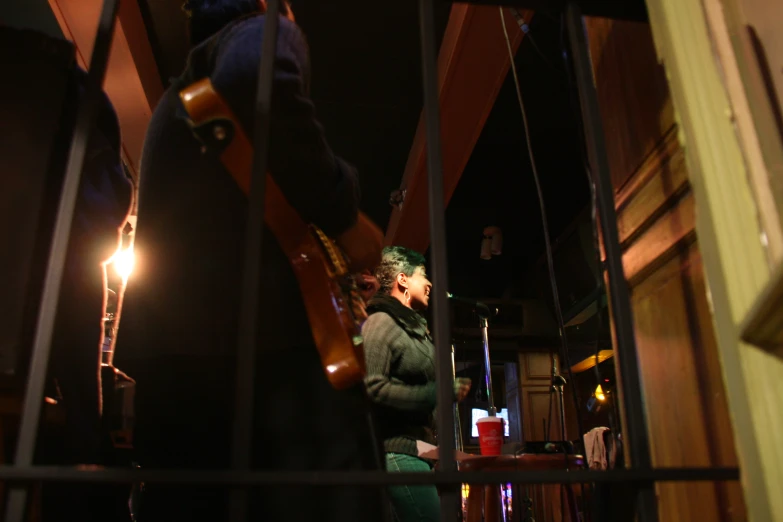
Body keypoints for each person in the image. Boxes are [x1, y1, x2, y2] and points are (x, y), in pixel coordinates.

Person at [114, 1, 385, 521]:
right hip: (261, 356)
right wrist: (343, 211)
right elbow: (251, 76)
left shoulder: (177, 100)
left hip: (178, 363)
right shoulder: (257, 31)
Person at [362, 246, 472, 522]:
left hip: (414, 454)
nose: (429, 283)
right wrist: (436, 392)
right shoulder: (380, 322)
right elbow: (372, 388)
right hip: (397, 456)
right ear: (402, 280)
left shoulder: (410, 328)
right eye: (422, 275)